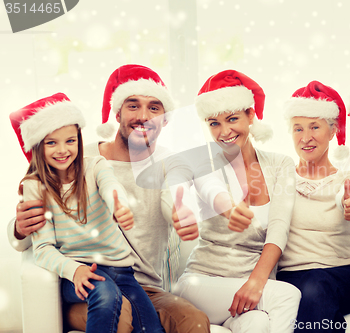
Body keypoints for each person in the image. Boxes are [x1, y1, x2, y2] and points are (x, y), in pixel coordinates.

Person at [7, 65, 210, 333]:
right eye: (133, 105)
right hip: (88, 284)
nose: (143, 116)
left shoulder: (167, 163)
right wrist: (18, 228)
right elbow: (33, 234)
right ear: (117, 112)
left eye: (154, 108)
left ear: (165, 119)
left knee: (193, 321)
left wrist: (181, 212)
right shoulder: (79, 157)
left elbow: (172, 197)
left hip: (143, 287)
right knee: (119, 314)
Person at [9, 93, 164, 333]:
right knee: (104, 293)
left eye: (70, 141)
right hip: (78, 269)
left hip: (122, 271)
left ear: (79, 140)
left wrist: (118, 205)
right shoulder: (34, 186)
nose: (62, 150)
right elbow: (42, 249)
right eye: (51, 143)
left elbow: (111, 186)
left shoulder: (96, 166)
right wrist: (75, 271)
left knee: (151, 328)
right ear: (38, 146)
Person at [173, 69, 301, 333]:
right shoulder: (204, 161)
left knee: (258, 322)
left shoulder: (281, 164)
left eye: (232, 119)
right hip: (202, 283)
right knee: (288, 296)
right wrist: (229, 208)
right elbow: (211, 188)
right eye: (214, 123)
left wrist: (255, 282)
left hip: (247, 291)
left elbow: (279, 227)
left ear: (251, 115)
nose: (224, 132)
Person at [276, 81, 350, 332]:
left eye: (315, 127)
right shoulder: (279, 181)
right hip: (291, 276)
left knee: (316, 287)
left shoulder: (349, 179)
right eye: (298, 129)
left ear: (332, 131)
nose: (305, 137)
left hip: (343, 273)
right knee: (309, 289)